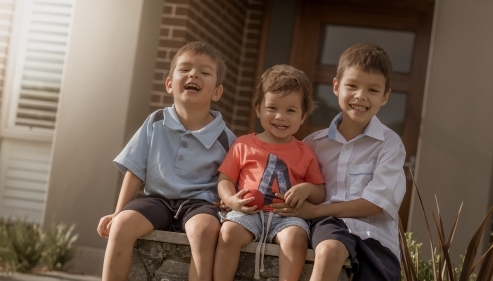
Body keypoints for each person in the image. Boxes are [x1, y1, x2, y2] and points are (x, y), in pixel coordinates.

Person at [96, 41, 236, 281]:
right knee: (121, 226)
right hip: (156, 200)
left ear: (217, 92)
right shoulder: (155, 122)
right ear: (170, 84)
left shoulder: (226, 139)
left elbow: (233, 181)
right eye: (185, 69)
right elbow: (135, 170)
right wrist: (118, 212)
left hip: (200, 204)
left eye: (204, 72)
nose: (193, 74)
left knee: (205, 232)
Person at [272, 43, 406, 281]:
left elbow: (375, 203)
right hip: (327, 227)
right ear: (336, 86)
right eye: (352, 85)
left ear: (385, 96)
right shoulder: (313, 144)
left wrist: (314, 210)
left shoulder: (390, 144)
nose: (360, 96)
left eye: (373, 90)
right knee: (329, 249)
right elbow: (291, 188)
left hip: (374, 236)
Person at [213, 64, 326, 281]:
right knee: (228, 233)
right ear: (258, 109)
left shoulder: (305, 152)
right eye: (272, 108)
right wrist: (231, 200)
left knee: (296, 238)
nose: (280, 116)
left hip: (287, 216)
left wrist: (306, 189)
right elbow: (225, 179)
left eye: (290, 110)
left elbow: (320, 193)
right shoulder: (243, 144)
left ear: (303, 116)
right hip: (247, 212)